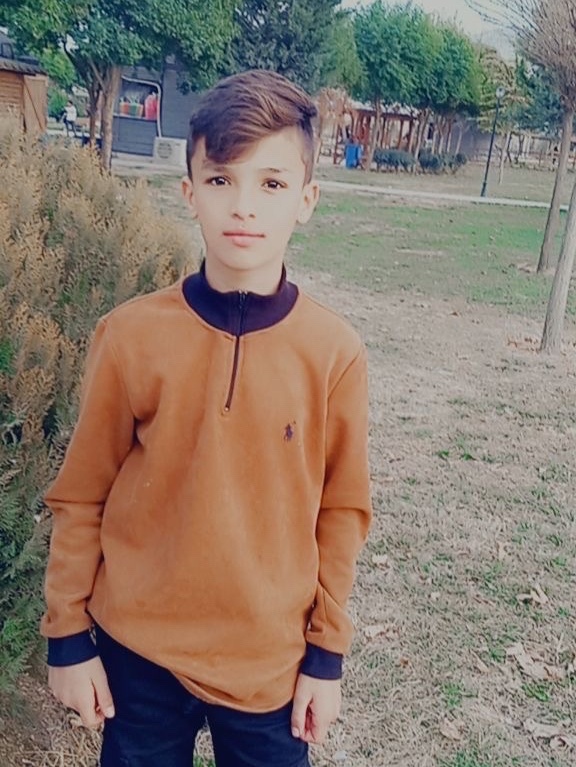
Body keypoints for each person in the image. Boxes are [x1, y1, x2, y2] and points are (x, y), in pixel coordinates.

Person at [41, 69, 372, 767]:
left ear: (306, 200)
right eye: (221, 179)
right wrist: (67, 635)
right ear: (189, 191)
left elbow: (342, 513)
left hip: (269, 666)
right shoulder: (130, 337)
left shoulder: (333, 353)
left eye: (271, 183)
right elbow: (81, 494)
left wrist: (326, 655)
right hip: (139, 657)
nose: (243, 206)